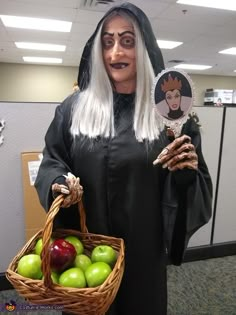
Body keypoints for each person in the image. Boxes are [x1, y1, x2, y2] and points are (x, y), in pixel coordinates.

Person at [35, 2, 212, 315]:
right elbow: (52, 160)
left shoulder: (170, 117)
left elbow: (193, 186)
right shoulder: (73, 109)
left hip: (142, 259)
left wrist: (184, 178)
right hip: (84, 257)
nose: (116, 53)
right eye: (108, 42)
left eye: (128, 41)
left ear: (143, 48)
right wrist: (57, 182)